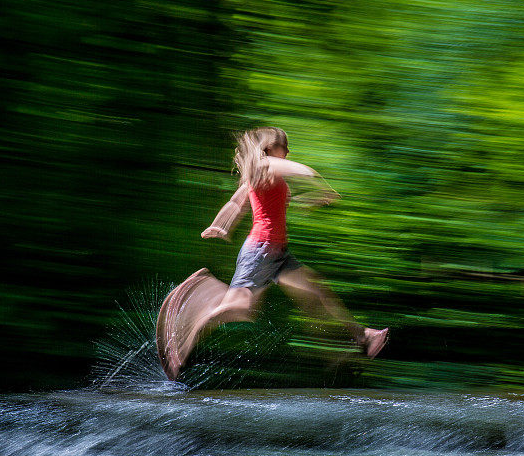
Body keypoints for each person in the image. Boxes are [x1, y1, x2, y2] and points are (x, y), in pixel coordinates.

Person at [160, 126, 389, 379]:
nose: (288, 151)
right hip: (261, 251)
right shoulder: (267, 164)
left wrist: (221, 225)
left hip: (278, 252)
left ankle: (362, 336)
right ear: (270, 148)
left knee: (316, 290)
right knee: (241, 308)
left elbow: (237, 202)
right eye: (284, 146)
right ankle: (187, 330)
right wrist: (321, 186)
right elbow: (303, 171)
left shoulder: (260, 173)